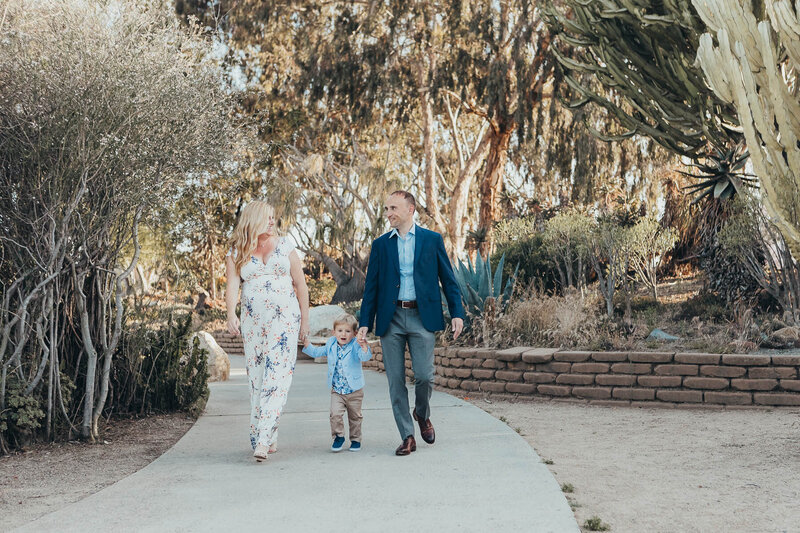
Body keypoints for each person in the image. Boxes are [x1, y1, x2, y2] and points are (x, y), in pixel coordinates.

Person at [358, 190, 464, 456]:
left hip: (421, 317)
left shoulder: (432, 240)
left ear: (410, 210)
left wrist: (457, 313)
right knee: (395, 382)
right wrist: (364, 322)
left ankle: (421, 413)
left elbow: (449, 280)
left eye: (393, 208)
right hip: (390, 319)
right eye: (386, 208)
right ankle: (407, 436)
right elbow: (371, 287)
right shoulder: (381, 244)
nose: (388, 213)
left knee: (425, 376)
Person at [225, 200, 310, 462]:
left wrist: (305, 322)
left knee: (278, 377)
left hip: (285, 321)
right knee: (258, 377)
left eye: (274, 217)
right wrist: (230, 314)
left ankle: (261, 440)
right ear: (253, 219)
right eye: (267, 217)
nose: (272, 222)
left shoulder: (286, 246)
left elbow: (301, 285)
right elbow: (231, 286)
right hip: (253, 323)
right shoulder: (237, 250)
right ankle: (268, 435)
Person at [302, 313, 372, 452]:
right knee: (335, 414)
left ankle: (356, 439)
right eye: (340, 331)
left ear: (354, 333)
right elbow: (317, 352)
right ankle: (338, 436)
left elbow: (364, 357)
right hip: (337, 390)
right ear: (334, 332)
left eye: (348, 331)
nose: (343, 334)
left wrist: (364, 347)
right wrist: (307, 345)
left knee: (355, 417)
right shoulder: (331, 343)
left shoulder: (355, 345)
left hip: (354, 390)